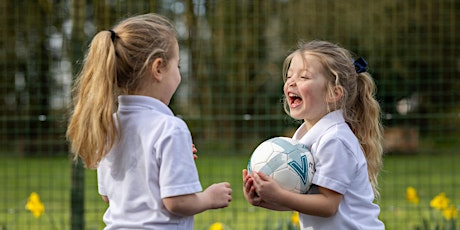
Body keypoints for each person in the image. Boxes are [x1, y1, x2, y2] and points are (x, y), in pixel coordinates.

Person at [66, 13, 232, 229]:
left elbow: (109, 196)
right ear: (158, 68)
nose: (179, 76)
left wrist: (169, 161)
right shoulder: (170, 127)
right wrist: (209, 198)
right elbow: (177, 202)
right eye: (177, 67)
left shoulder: (108, 125)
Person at [242, 40, 385, 229]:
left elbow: (327, 205)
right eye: (289, 75)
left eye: (304, 77)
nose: (291, 82)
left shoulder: (335, 140)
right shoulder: (301, 139)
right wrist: (265, 199)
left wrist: (279, 195)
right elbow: (307, 201)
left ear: (333, 93)